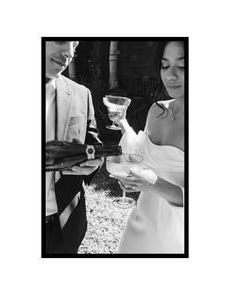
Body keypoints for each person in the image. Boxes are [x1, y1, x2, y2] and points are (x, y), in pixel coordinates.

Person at [107, 41, 185, 253]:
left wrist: (152, 182)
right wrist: (122, 122)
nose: (171, 75)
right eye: (165, 65)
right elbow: (140, 155)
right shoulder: (157, 110)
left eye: (183, 66)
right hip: (141, 223)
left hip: (178, 235)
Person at [45, 41, 103, 254]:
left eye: (74, 44)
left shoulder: (81, 94)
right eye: (61, 39)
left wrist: (95, 163)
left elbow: (93, 146)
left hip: (64, 228)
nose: (69, 52)